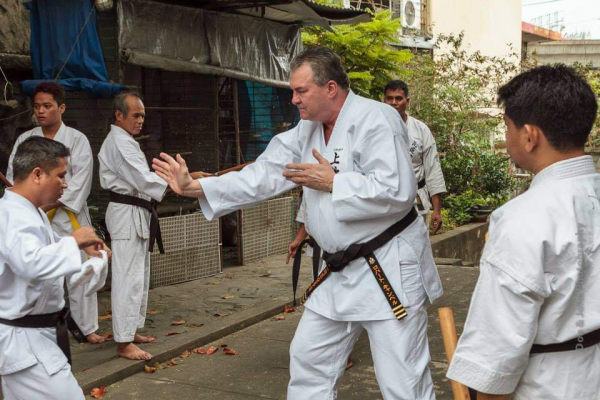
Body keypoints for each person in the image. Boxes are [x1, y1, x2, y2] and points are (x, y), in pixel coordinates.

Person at [154, 46, 443, 399]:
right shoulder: (306, 130)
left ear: (331, 89)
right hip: (338, 272)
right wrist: (196, 186)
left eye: (301, 91)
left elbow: (397, 191)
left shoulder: (377, 119)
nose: (293, 100)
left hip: (386, 269)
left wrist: (335, 182)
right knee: (309, 362)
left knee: (403, 380)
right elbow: (263, 174)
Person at [446, 64, 600, 399]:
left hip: (547, 388)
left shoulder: (520, 219)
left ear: (529, 136)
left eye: (507, 127)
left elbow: (496, 351)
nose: (506, 137)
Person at [0, 137, 109, 399]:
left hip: (36, 337)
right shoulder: (14, 215)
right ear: (38, 174)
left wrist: (83, 251)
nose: (66, 183)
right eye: (60, 175)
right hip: (25, 342)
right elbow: (31, 263)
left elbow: (41, 255)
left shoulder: (28, 212)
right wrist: (74, 241)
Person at [5, 82, 105, 344]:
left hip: (67, 215)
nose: (41, 111)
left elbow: (81, 179)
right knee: (40, 269)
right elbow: (16, 177)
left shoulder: (77, 139)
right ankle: (41, 322)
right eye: (37, 106)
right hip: (34, 213)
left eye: (47, 106)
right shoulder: (25, 140)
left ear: (61, 108)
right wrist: (33, 202)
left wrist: (50, 201)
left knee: (80, 270)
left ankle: (87, 327)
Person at [98, 91, 168, 360]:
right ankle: (123, 341)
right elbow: (142, 178)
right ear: (119, 115)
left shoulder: (126, 141)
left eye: (143, 116)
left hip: (136, 212)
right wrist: (181, 183)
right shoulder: (118, 142)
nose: (140, 120)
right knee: (127, 277)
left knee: (138, 275)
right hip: (126, 213)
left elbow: (144, 177)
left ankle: (130, 329)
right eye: (136, 115)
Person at [383, 80, 447, 233]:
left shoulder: (420, 130)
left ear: (407, 101)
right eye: (389, 98)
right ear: (383, 100)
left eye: (398, 98)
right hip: (386, 199)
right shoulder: (374, 128)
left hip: (416, 196)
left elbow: (433, 169)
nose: (393, 102)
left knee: (417, 246)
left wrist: (437, 210)